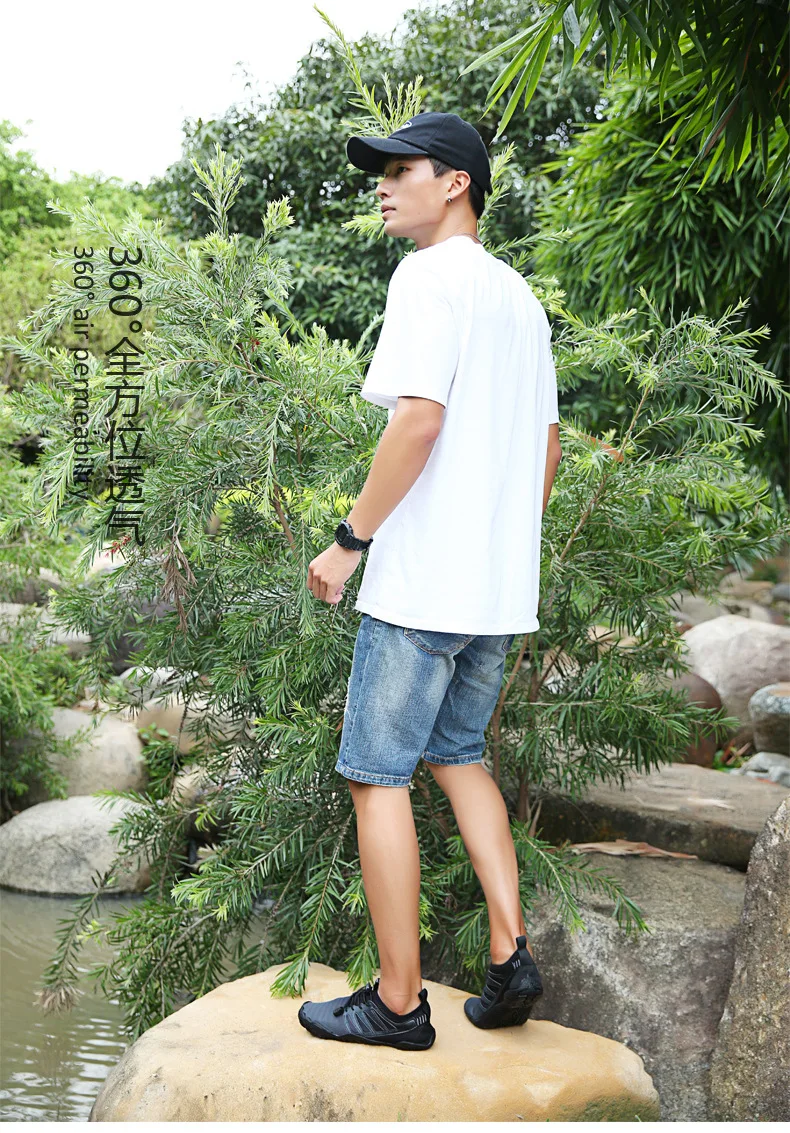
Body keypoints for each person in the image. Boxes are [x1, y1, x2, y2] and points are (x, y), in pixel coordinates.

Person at [299, 111, 563, 1051]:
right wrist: (502, 553)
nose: (382, 185)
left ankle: (400, 1003)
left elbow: (417, 421)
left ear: (455, 183)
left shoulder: (426, 275)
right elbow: (547, 448)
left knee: (376, 776)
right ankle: (509, 953)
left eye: (399, 168)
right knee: (459, 756)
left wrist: (349, 540)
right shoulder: (519, 297)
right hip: (494, 591)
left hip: (421, 589)